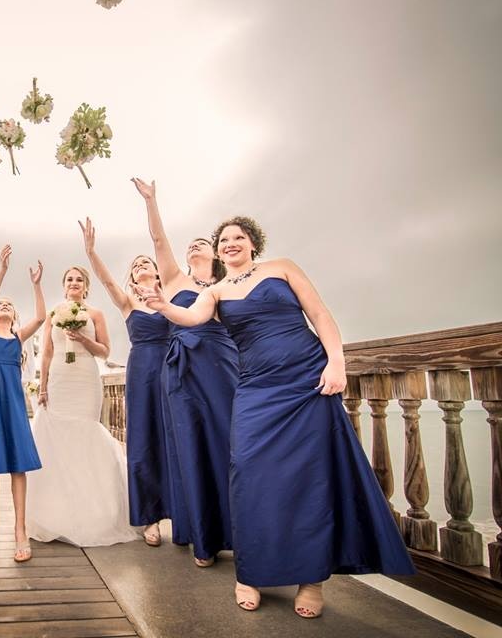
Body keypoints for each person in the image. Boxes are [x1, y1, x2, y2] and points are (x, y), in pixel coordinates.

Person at [135, 215, 415, 618]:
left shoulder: (281, 268)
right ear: (217, 251)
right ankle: (250, 573)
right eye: (225, 239)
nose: (231, 243)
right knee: (247, 470)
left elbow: (319, 314)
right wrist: (163, 306)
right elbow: (192, 319)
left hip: (307, 379)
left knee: (310, 476)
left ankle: (311, 581)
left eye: (239, 237)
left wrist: (336, 362)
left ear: (253, 243)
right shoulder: (214, 291)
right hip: (256, 387)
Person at [131, 177, 239, 566]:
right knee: (189, 445)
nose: (195, 245)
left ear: (216, 255)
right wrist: (152, 201)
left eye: (203, 243)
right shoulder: (174, 279)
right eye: (191, 242)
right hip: (180, 369)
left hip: (223, 366)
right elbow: (159, 241)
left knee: (229, 443)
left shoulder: (229, 283)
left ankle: (240, 530)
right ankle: (202, 537)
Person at [26, 264, 139, 547]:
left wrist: (83, 339)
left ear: (86, 286)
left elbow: (105, 351)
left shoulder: (96, 314)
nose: (74, 283)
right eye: (69, 279)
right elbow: (48, 354)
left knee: (86, 435)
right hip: (60, 381)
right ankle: (60, 509)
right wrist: (43, 387)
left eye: (79, 279)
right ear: (64, 285)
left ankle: (95, 511)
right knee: (57, 440)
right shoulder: (54, 314)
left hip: (85, 379)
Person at [78, 217, 175, 547]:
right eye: (136, 265)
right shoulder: (127, 302)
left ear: (158, 271)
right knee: (143, 438)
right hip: (142, 370)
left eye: (146, 261)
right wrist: (91, 253)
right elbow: (105, 282)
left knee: (175, 437)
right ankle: (149, 517)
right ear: (132, 277)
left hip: (174, 367)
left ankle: (183, 512)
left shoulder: (172, 297)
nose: (141, 265)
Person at [0, 245, 46, 562]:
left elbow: (42, 317)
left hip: (15, 407)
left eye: (9, 304)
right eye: (0, 304)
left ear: (15, 316)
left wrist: (36, 285)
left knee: (19, 467)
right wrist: (2, 270)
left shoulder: (18, 338)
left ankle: (20, 530)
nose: (3, 305)